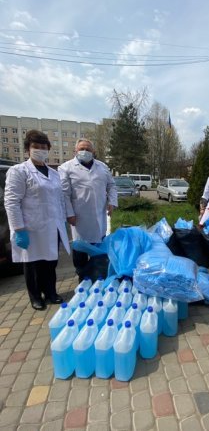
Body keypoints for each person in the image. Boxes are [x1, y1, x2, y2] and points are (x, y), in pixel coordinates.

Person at [4, 130, 70, 310]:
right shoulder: (19, 171)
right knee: (33, 264)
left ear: (48, 149)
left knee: (50, 262)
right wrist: (18, 229)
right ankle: (35, 297)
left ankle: (50, 292)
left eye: (43, 147)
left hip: (53, 226)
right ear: (28, 149)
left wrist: (62, 220)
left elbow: (59, 199)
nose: (40, 150)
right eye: (36, 147)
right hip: (31, 227)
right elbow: (11, 201)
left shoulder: (54, 173)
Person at [58, 139, 118, 280]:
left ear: (93, 152)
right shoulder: (66, 168)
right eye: (81, 149)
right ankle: (82, 277)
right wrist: (69, 214)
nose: (84, 151)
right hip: (79, 218)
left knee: (99, 249)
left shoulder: (102, 167)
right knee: (80, 250)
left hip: (100, 216)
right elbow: (64, 194)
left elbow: (112, 186)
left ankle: (98, 274)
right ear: (75, 151)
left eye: (88, 149)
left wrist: (112, 202)